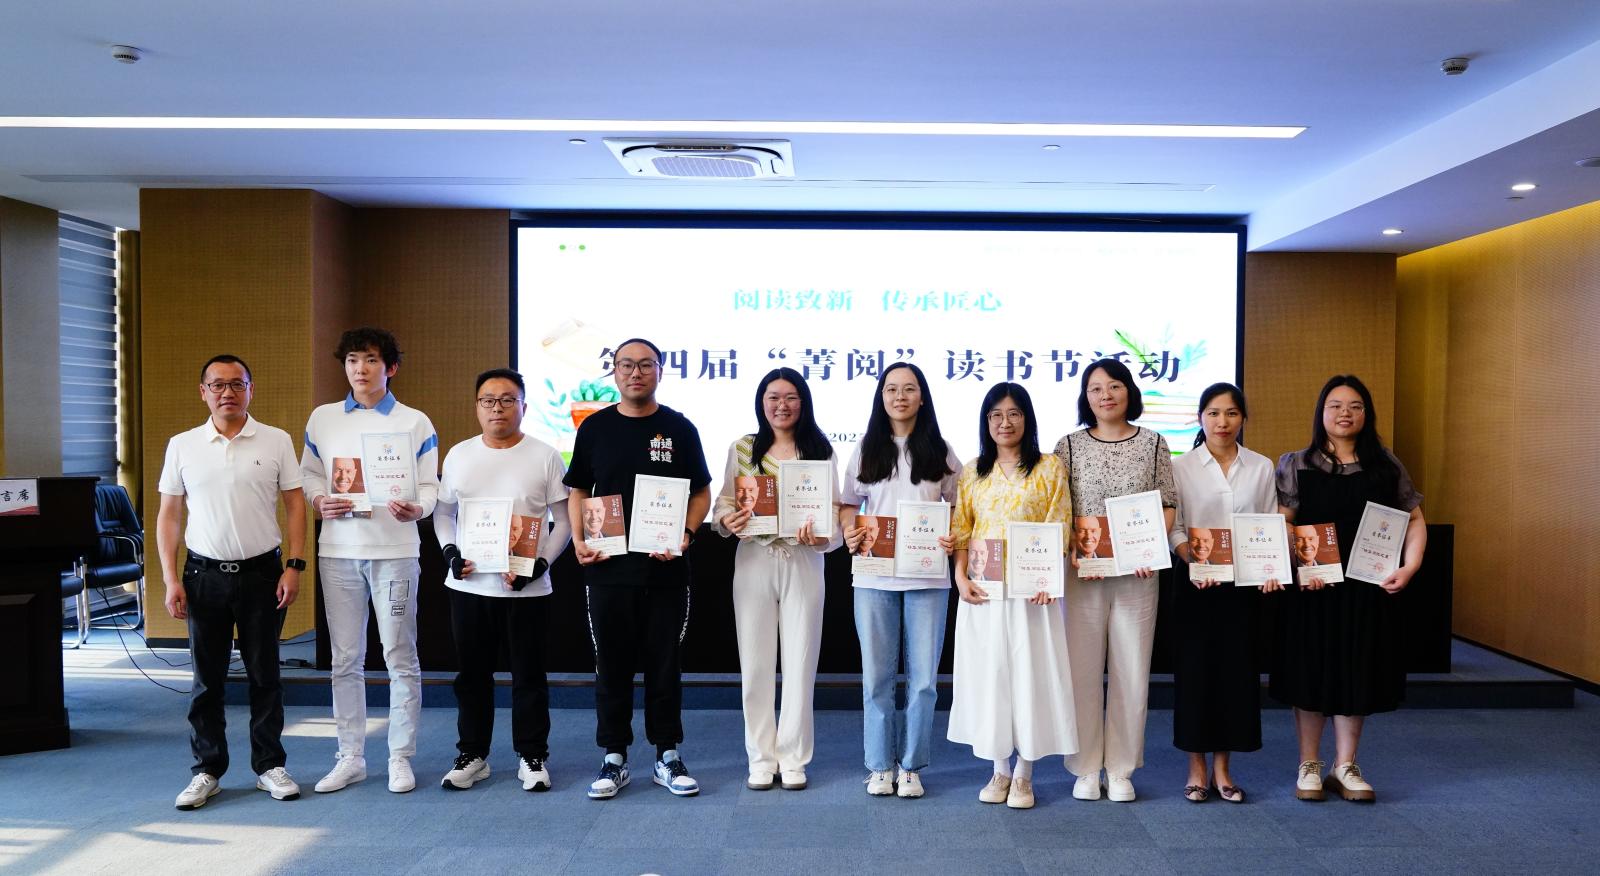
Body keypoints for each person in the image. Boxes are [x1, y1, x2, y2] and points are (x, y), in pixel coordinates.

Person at [157, 354, 307, 810]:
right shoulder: (183, 444)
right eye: (218, 385)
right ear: (203, 391)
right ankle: (207, 770)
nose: (228, 393)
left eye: (237, 384)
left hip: (263, 574)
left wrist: (295, 565)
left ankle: (269, 766)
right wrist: (170, 579)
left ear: (250, 389)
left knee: (266, 675)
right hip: (203, 577)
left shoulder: (276, 440)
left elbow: (295, 505)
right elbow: (169, 515)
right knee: (208, 680)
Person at [564, 338, 712, 799]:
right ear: (614, 371)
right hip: (608, 568)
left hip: (665, 571)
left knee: (665, 665)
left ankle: (667, 755)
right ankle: (614, 757)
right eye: (626, 364)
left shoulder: (679, 428)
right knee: (611, 665)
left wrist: (686, 535)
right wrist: (578, 539)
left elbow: (701, 492)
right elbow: (578, 490)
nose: (635, 373)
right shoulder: (595, 428)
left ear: (660, 371)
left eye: (646, 365)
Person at [1273, 375, 1426, 803]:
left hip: (1366, 587)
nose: (1345, 413)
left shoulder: (1386, 465)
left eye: (1355, 406)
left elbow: (1414, 519)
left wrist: (1410, 566)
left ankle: (1345, 765)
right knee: (1310, 671)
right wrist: (1300, 558)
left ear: (1366, 413)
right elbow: (1283, 522)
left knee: (1357, 670)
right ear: (1321, 413)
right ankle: (1309, 764)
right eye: (1336, 405)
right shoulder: (1296, 463)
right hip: (1313, 587)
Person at [301, 327, 439, 794]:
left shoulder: (414, 422)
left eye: (372, 360)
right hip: (338, 552)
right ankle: (350, 757)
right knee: (345, 659)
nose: (361, 369)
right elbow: (309, 475)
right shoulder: (322, 419)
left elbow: (430, 486)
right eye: (353, 360)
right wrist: (319, 500)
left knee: (400, 656)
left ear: (391, 367)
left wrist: (418, 508)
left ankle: (400, 756)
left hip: (395, 553)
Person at [434, 368, 571, 793]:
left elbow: (564, 521)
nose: (498, 408)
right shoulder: (459, 454)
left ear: (524, 406)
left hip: (527, 589)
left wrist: (541, 565)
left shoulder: (546, 455)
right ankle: (473, 755)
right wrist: (450, 553)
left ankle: (532, 755)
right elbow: (444, 514)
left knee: (529, 676)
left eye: (508, 399)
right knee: (471, 676)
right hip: (470, 587)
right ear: (477, 407)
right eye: (489, 400)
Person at [948, 383, 1077, 810]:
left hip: (1032, 594)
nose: (1005, 423)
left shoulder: (1049, 467)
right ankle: (999, 767)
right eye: (996, 415)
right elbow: (962, 530)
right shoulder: (973, 471)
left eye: (1014, 414)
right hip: (984, 591)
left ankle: (1024, 772)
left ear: (1027, 418)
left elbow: (1060, 525)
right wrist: (960, 577)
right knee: (992, 677)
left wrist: (1048, 578)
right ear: (986, 422)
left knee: (1029, 676)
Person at [1053, 357, 1176, 803]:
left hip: (1137, 575)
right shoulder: (1067, 446)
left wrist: (1151, 548)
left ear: (1129, 392)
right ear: (1085, 397)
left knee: (1131, 669)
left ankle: (1121, 768)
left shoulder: (1154, 442)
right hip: (1083, 573)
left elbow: (1168, 503)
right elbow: (1058, 508)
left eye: (1114, 386)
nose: (1105, 395)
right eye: (1095, 388)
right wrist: (1071, 544)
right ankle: (1086, 767)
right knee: (1081, 671)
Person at [712, 368, 840, 791]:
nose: (781, 405)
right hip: (754, 559)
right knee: (755, 664)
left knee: (801, 663)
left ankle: (794, 757)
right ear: (761, 402)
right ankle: (761, 757)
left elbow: (835, 513)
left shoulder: (820, 449)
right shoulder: (743, 448)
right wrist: (727, 520)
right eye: (773, 397)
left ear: (803, 402)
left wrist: (824, 537)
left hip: (804, 560)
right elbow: (723, 505)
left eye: (790, 397)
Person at [840, 362, 960, 799]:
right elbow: (847, 503)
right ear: (882, 396)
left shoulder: (940, 450)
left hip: (928, 578)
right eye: (891, 389)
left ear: (922, 397)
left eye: (909, 389)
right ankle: (879, 765)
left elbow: (958, 507)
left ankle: (911, 766)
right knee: (877, 677)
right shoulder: (866, 448)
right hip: (874, 578)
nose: (900, 397)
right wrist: (850, 529)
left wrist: (954, 535)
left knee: (924, 681)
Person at [1168, 382, 1280, 804]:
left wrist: (1270, 567)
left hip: (1242, 588)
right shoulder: (1180, 467)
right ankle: (1196, 767)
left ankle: (1223, 768)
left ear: (1243, 418)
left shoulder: (1261, 466)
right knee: (1195, 676)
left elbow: (1268, 523)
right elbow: (1176, 527)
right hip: (1194, 585)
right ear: (1200, 418)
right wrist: (1190, 559)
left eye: (1231, 413)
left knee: (1235, 675)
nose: (1222, 422)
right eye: (1213, 413)